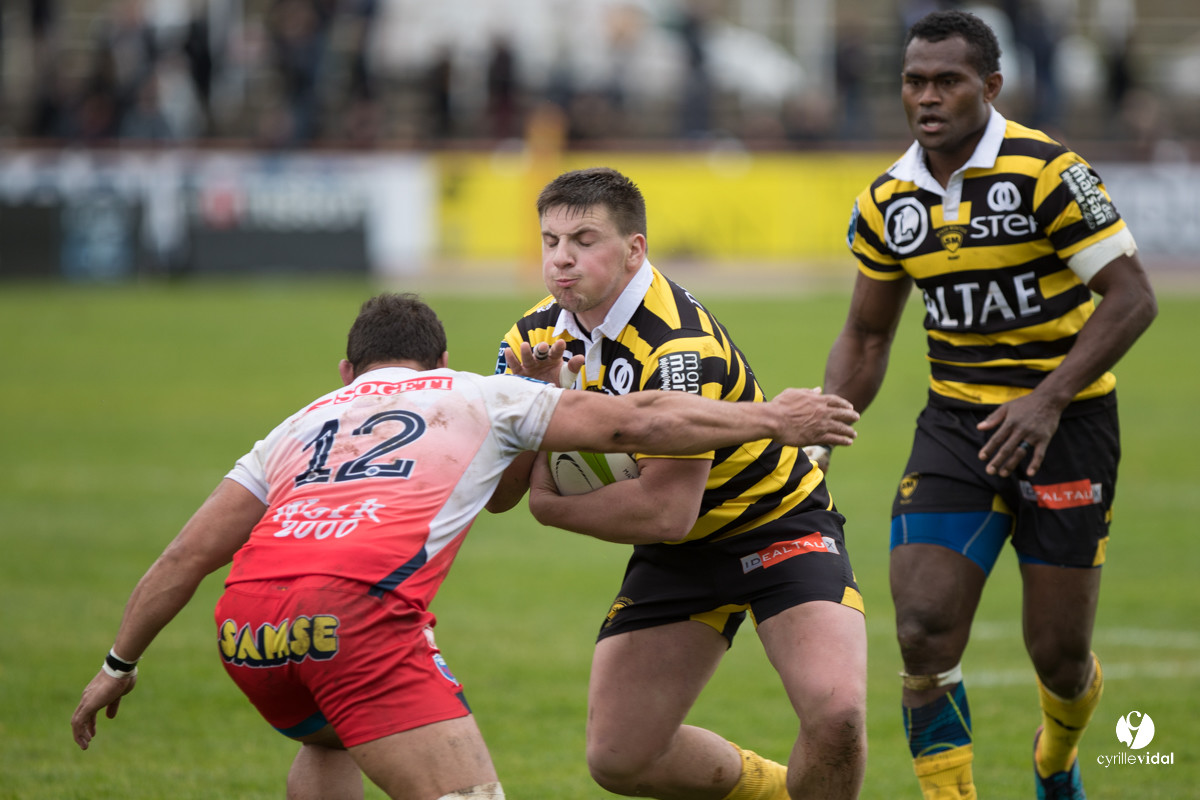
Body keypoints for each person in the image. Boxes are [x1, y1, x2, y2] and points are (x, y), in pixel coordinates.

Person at [70, 292, 861, 800]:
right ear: (441, 362)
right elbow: (637, 420)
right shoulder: (476, 393)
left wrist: (118, 665)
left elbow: (184, 557)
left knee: (332, 737)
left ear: (345, 370)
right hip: (354, 619)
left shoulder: (299, 423)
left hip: (249, 633)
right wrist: (772, 420)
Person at [819, 10, 1157, 800]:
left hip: (1066, 429)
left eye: (947, 81)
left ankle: (1056, 760)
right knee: (921, 627)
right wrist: (820, 431)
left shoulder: (1048, 171)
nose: (927, 97)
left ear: (990, 87)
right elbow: (867, 339)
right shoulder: (887, 201)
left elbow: (1132, 298)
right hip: (957, 428)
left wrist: (1048, 398)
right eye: (914, 82)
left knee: (1059, 655)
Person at [494, 167, 868, 800]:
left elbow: (667, 510)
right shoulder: (532, 339)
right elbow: (501, 493)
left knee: (837, 717)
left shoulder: (677, 343)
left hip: (775, 525)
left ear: (634, 249)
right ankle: (778, 791)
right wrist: (529, 403)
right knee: (619, 759)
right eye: (550, 241)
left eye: (584, 240)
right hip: (682, 555)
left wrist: (553, 510)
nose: (561, 259)